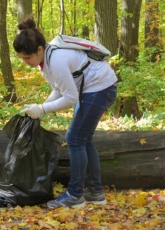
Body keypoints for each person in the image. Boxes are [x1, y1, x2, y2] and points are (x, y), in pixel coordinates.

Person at [13, 17, 118, 208]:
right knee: (83, 139)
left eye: (27, 58)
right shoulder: (45, 59)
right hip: (93, 89)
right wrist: (42, 108)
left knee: (75, 138)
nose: (25, 62)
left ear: (39, 50)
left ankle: (75, 195)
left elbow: (71, 98)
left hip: (100, 88)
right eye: (22, 58)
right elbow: (59, 89)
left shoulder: (57, 61)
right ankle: (95, 193)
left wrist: (43, 109)